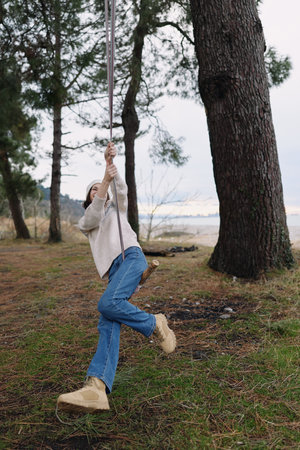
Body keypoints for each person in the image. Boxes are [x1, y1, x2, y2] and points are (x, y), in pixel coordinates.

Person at [57, 142, 176, 413]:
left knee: (106, 305)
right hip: (114, 271)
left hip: (132, 258)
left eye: (100, 188)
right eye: (93, 189)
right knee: (108, 320)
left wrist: (111, 168)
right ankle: (96, 388)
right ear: (88, 198)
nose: (98, 190)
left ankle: (153, 323)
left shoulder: (117, 208)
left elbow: (121, 191)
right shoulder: (87, 220)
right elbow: (95, 212)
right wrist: (103, 181)